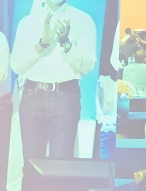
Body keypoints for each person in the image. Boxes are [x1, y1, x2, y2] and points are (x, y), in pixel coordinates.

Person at [10, 0, 97, 173]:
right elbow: (16, 65)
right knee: (31, 163)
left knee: (62, 164)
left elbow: (88, 66)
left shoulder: (83, 20)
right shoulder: (28, 21)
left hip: (65, 95)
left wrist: (65, 42)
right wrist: (42, 43)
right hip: (32, 95)